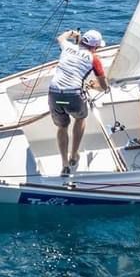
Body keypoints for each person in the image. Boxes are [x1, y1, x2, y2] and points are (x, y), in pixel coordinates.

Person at [47, 29, 109, 176]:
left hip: (54, 93)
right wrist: (93, 86)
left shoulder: (67, 47)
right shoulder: (94, 59)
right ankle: (74, 155)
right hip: (73, 95)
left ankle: (64, 164)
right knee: (80, 118)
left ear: (82, 41)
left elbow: (60, 38)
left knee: (62, 127)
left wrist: (73, 33)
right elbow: (104, 87)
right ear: (94, 47)